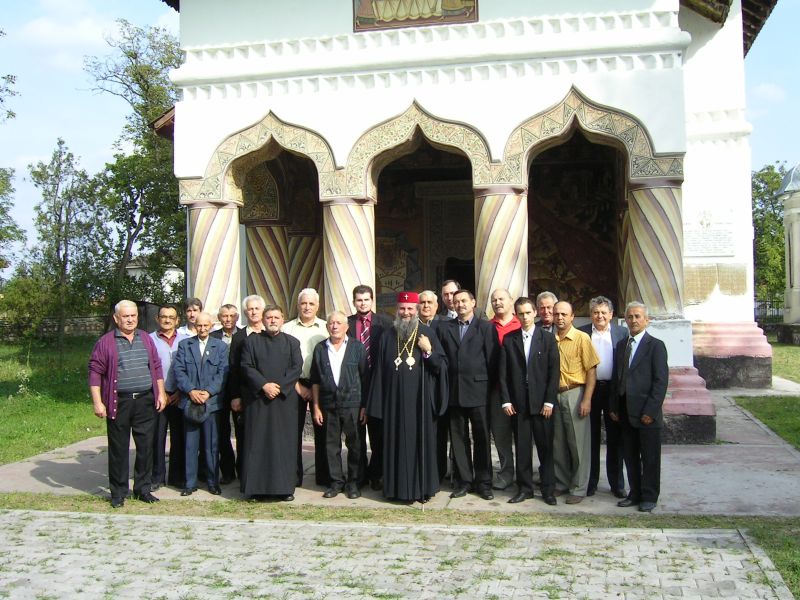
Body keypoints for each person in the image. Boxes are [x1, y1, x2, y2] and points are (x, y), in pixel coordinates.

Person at [367, 292, 448, 503]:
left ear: (417, 310)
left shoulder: (427, 332)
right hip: (393, 404)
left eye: (410, 308)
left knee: (420, 444)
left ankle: (422, 489)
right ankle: (394, 489)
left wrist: (428, 351)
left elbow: (440, 366)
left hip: (419, 403)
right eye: (402, 308)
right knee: (394, 444)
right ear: (397, 310)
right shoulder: (387, 335)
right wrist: (377, 406)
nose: (406, 313)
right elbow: (379, 372)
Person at [88, 300, 167, 508]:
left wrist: (160, 393)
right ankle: (118, 492)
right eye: (125, 316)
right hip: (119, 401)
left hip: (145, 400)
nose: (130, 319)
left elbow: (156, 367)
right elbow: (95, 373)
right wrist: (98, 402)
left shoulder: (145, 338)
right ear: (116, 318)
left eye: (133, 316)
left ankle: (143, 489)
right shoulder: (105, 342)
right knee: (118, 448)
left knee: (145, 447)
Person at [437, 289, 499, 501]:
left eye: (464, 300)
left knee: (482, 438)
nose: (460, 304)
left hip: (479, 391)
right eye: (456, 301)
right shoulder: (446, 328)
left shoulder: (485, 327)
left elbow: (493, 360)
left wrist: (490, 389)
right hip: (455, 391)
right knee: (458, 438)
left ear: (473, 302)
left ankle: (483, 482)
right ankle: (464, 481)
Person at [499, 297, 560, 505]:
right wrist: (506, 401)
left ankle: (548, 489)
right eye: (521, 313)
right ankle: (525, 488)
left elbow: (554, 373)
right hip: (519, 405)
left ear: (535, 313)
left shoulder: (548, 339)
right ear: (516, 315)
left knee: (545, 448)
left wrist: (549, 402)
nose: (524, 317)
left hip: (542, 404)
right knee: (522, 449)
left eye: (528, 312)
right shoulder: (509, 339)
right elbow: (503, 374)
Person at [610, 302, 669, 513]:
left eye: (637, 316)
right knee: (630, 456)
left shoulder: (656, 346)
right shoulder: (621, 345)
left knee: (650, 458)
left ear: (646, 320)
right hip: (625, 412)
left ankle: (649, 496)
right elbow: (617, 378)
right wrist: (614, 407)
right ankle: (634, 493)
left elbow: (660, 382)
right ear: (625, 320)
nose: (633, 320)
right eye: (630, 317)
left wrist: (650, 412)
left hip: (646, 414)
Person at [240, 305, 303, 500]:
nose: (273, 320)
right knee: (257, 444)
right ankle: (255, 489)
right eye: (269, 317)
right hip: (259, 401)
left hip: (284, 402)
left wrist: (280, 387)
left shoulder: (292, 342)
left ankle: (284, 489)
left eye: (276, 317)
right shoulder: (252, 342)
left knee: (284, 445)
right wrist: (264, 385)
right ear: (263, 320)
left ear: (282, 319)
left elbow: (296, 367)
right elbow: (246, 366)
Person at [311, 311, 368, 499]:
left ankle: (354, 483)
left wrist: (364, 406)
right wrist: (316, 406)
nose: (334, 326)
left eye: (338, 323)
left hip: (353, 404)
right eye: (331, 323)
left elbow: (365, 377)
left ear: (346, 326)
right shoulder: (320, 348)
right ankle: (336, 482)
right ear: (327, 326)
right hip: (328, 405)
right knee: (330, 446)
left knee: (356, 445)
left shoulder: (357, 347)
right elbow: (316, 380)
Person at [173, 312, 229, 496]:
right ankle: (190, 483)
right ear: (194, 326)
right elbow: (179, 371)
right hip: (190, 402)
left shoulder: (220, 346)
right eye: (199, 326)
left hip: (211, 404)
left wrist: (209, 392)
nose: (203, 329)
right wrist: (191, 391)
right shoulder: (184, 345)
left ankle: (213, 482)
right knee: (190, 444)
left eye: (206, 326)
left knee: (211, 445)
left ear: (211, 326)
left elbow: (223, 373)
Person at [578, 296, 628, 498]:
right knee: (590, 439)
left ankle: (617, 484)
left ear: (611, 315)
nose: (600, 316)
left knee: (615, 439)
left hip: (612, 391)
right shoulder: (582, 333)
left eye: (603, 312)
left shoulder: (621, 333)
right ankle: (590, 482)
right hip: (589, 391)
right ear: (591, 315)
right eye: (596, 312)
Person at [281, 288, 330, 487]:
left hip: (322, 385)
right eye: (303, 303)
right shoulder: (287, 329)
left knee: (324, 432)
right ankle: (293, 476)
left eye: (311, 304)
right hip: (294, 384)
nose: (307, 307)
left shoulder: (327, 328)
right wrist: (298, 387)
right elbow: (282, 362)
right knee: (293, 432)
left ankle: (324, 476)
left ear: (318, 306)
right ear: (298, 305)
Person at [552, 301, 599, 504]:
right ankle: (561, 483)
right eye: (557, 314)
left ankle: (579, 488)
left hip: (575, 393)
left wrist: (587, 399)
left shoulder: (582, 338)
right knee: (558, 442)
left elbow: (591, 371)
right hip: (554, 395)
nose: (560, 317)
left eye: (564, 314)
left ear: (572, 317)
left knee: (578, 444)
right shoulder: (549, 339)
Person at [347, 284, 391, 490]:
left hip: (377, 384)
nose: (362, 303)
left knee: (378, 435)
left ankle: (377, 474)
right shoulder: (346, 323)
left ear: (372, 301)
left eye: (366, 299)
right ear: (354, 301)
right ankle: (358, 475)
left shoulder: (385, 323)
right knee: (355, 436)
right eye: (359, 300)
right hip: (353, 385)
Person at [227, 295, 267, 487]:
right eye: (250, 309)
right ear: (245, 313)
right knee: (244, 437)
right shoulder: (239, 337)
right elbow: (233, 368)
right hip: (245, 394)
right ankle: (244, 475)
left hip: (268, 395)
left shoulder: (271, 332)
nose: (253, 312)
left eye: (256, 309)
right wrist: (235, 395)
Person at [149, 303, 189, 490]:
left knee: (179, 437)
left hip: (180, 395)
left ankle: (177, 476)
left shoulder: (186, 340)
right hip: (157, 396)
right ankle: (157, 476)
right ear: (158, 319)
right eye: (163, 317)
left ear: (177, 320)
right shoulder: (149, 340)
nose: (167, 320)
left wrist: (181, 392)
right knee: (156, 438)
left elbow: (190, 369)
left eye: (171, 317)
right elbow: (146, 368)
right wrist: (161, 393)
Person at [488, 288, 521, 491]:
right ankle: (506, 473)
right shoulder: (487, 327)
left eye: (501, 299)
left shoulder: (522, 324)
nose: (498, 302)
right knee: (500, 435)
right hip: (496, 390)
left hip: (521, 390)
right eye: (494, 300)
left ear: (511, 301)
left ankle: (526, 473)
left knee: (523, 434)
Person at [418, 290, 449, 481]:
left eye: (430, 302)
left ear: (437, 306)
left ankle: (439, 471)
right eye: (422, 302)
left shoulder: (445, 327)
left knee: (439, 433)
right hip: (418, 388)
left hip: (439, 386)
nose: (426, 306)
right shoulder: (411, 326)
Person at [210, 303, 241, 483]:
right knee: (221, 432)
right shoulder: (213, 337)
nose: (228, 319)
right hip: (219, 389)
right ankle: (227, 471)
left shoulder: (244, 335)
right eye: (224, 316)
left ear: (237, 317)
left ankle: (242, 469)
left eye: (231, 316)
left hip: (238, 388)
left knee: (241, 431)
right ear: (219, 318)